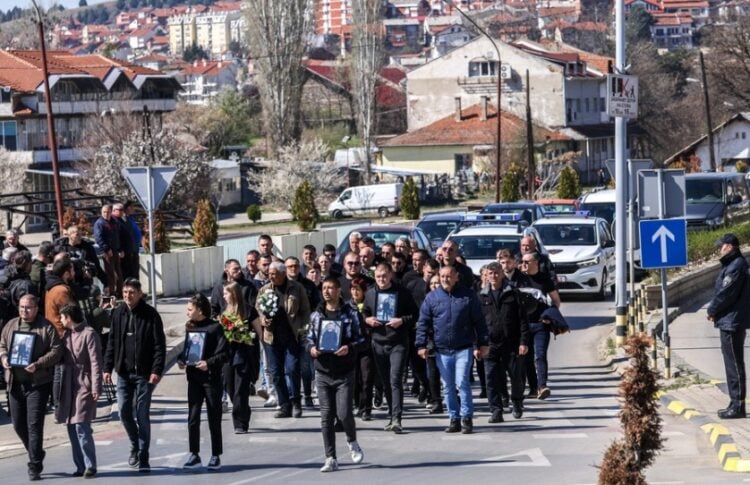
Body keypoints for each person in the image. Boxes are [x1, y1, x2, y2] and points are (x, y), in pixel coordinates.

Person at [102, 278, 166, 472]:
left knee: (142, 414)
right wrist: (107, 368)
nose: (128, 296)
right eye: (125, 292)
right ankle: (134, 445)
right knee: (123, 411)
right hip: (123, 372)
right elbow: (112, 342)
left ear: (139, 294)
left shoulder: (151, 315)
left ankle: (144, 455)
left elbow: (159, 346)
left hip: (145, 375)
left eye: (131, 292)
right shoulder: (118, 313)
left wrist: (156, 371)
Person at [416, 265, 489, 434]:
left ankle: (466, 418)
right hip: (442, 350)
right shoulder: (432, 298)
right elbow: (423, 323)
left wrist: (482, 343)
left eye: (449, 276)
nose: (445, 279)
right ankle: (454, 418)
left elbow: (479, 321)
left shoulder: (468, 296)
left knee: (462, 382)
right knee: (448, 386)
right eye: (442, 276)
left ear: (456, 277)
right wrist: (421, 345)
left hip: (463, 347)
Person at [0, 294, 63, 481]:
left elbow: (57, 350)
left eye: (28, 308)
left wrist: (38, 363)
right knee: (18, 424)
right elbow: (2, 344)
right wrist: (4, 358)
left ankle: (34, 465)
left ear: (36, 308)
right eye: (21, 307)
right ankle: (35, 451)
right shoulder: (11, 325)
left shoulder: (46, 327)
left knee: (34, 424)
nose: (24, 311)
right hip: (15, 383)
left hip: (37, 383)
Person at [306, 276, 365, 472]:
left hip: (344, 371)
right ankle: (330, 457)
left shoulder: (351, 313)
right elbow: (309, 339)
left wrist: (349, 348)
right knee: (326, 415)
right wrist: (312, 348)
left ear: (339, 291)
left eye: (331, 287)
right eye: (324, 288)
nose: (327, 291)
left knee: (344, 413)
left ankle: (351, 439)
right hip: (323, 371)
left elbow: (362, 339)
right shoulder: (316, 315)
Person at [362, 263, 418, 434]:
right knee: (385, 381)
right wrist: (368, 320)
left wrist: (401, 320)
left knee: (395, 379)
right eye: (378, 277)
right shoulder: (371, 293)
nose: (381, 280)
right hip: (378, 342)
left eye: (384, 276)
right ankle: (391, 414)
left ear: (391, 275)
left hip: (398, 342)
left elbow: (415, 314)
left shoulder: (402, 292)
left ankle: (397, 418)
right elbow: (364, 311)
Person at [179, 294, 229, 470]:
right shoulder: (190, 327)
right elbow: (187, 349)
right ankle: (194, 454)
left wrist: (208, 363)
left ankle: (216, 455)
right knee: (193, 417)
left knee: (213, 417)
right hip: (193, 379)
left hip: (210, 379)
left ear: (200, 310)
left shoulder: (215, 328)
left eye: (190, 309)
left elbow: (224, 353)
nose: (187, 312)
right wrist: (181, 359)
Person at [257, 262, 311, 418]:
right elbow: (258, 308)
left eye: (274, 273)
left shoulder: (296, 288)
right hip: (271, 338)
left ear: (282, 273)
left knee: (292, 369)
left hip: (291, 337)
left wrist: (303, 329)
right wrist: (263, 319)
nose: (271, 276)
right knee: (276, 373)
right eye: (269, 274)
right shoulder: (264, 290)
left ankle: (296, 401)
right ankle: (284, 404)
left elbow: (305, 311)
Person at [56, 304, 103, 478]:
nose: (60, 320)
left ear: (69, 317)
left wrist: (96, 386)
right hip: (69, 384)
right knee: (70, 425)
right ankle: (80, 466)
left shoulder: (89, 333)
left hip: (84, 384)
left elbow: (96, 361)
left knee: (82, 425)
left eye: (62, 317)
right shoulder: (66, 335)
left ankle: (91, 465)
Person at [479, 262, 529, 423]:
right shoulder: (481, 296)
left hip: (511, 343)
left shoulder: (512, 293)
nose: (493, 276)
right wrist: (477, 345)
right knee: (491, 379)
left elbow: (522, 319)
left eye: (496, 273)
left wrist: (523, 342)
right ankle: (496, 410)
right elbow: (476, 323)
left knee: (515, 377)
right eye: (490, 273)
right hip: (490, 344)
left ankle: (516, 402)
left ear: (501, 274)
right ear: (486, 275)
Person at [707, 234, 750, 419]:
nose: (720, 249)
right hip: (730, 319)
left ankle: (738, 406)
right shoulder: (733, 264)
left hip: (733, 321)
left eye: (722, 246)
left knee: (734, 364)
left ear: (730, 246)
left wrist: (712, 309)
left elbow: (726, 293)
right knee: (731, 362)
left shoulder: (736, 266)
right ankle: (734, 402)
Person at [519, 252, 560, 400]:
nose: (523, 264)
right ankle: (533, 386)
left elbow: (556, 301)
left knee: (540, 355)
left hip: (540, 324)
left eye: (527, 262)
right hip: (523, 325)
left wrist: (550, 316)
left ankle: (542, 386)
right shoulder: (518, 279)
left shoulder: (544, 279)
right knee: (526, 357)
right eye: (522, 261)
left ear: (536, 263)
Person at [221, 282, 261, 433]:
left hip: (244, 356)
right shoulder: (225, 314)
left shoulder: (249, 311)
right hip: (228, 357)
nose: (224, 296)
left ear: (233, 294)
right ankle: (244, 409)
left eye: (226, 293)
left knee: (240, 391)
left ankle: (240, 423)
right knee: (231, 389)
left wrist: (245, 337)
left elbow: (259, 333)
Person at [93, 205, 123, 297]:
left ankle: (119, 292)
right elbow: (99, 238)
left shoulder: (114, 222)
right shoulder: (99, 223)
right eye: (104, 212)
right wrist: (106, 249)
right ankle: (111, 292)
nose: (106, 214)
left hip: (115, 250)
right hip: (107, 252)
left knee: (119, 273)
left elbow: (117, 237)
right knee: (110, 273)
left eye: (108, 212)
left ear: (111, 212)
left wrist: (120, 249)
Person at [45, 259, 76, 338]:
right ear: (66, 274)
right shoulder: (61, 291)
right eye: (72, 271)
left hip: (55, 332)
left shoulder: (52, 286)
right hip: (62, 335)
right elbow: (68, 314)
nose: (74, 273)